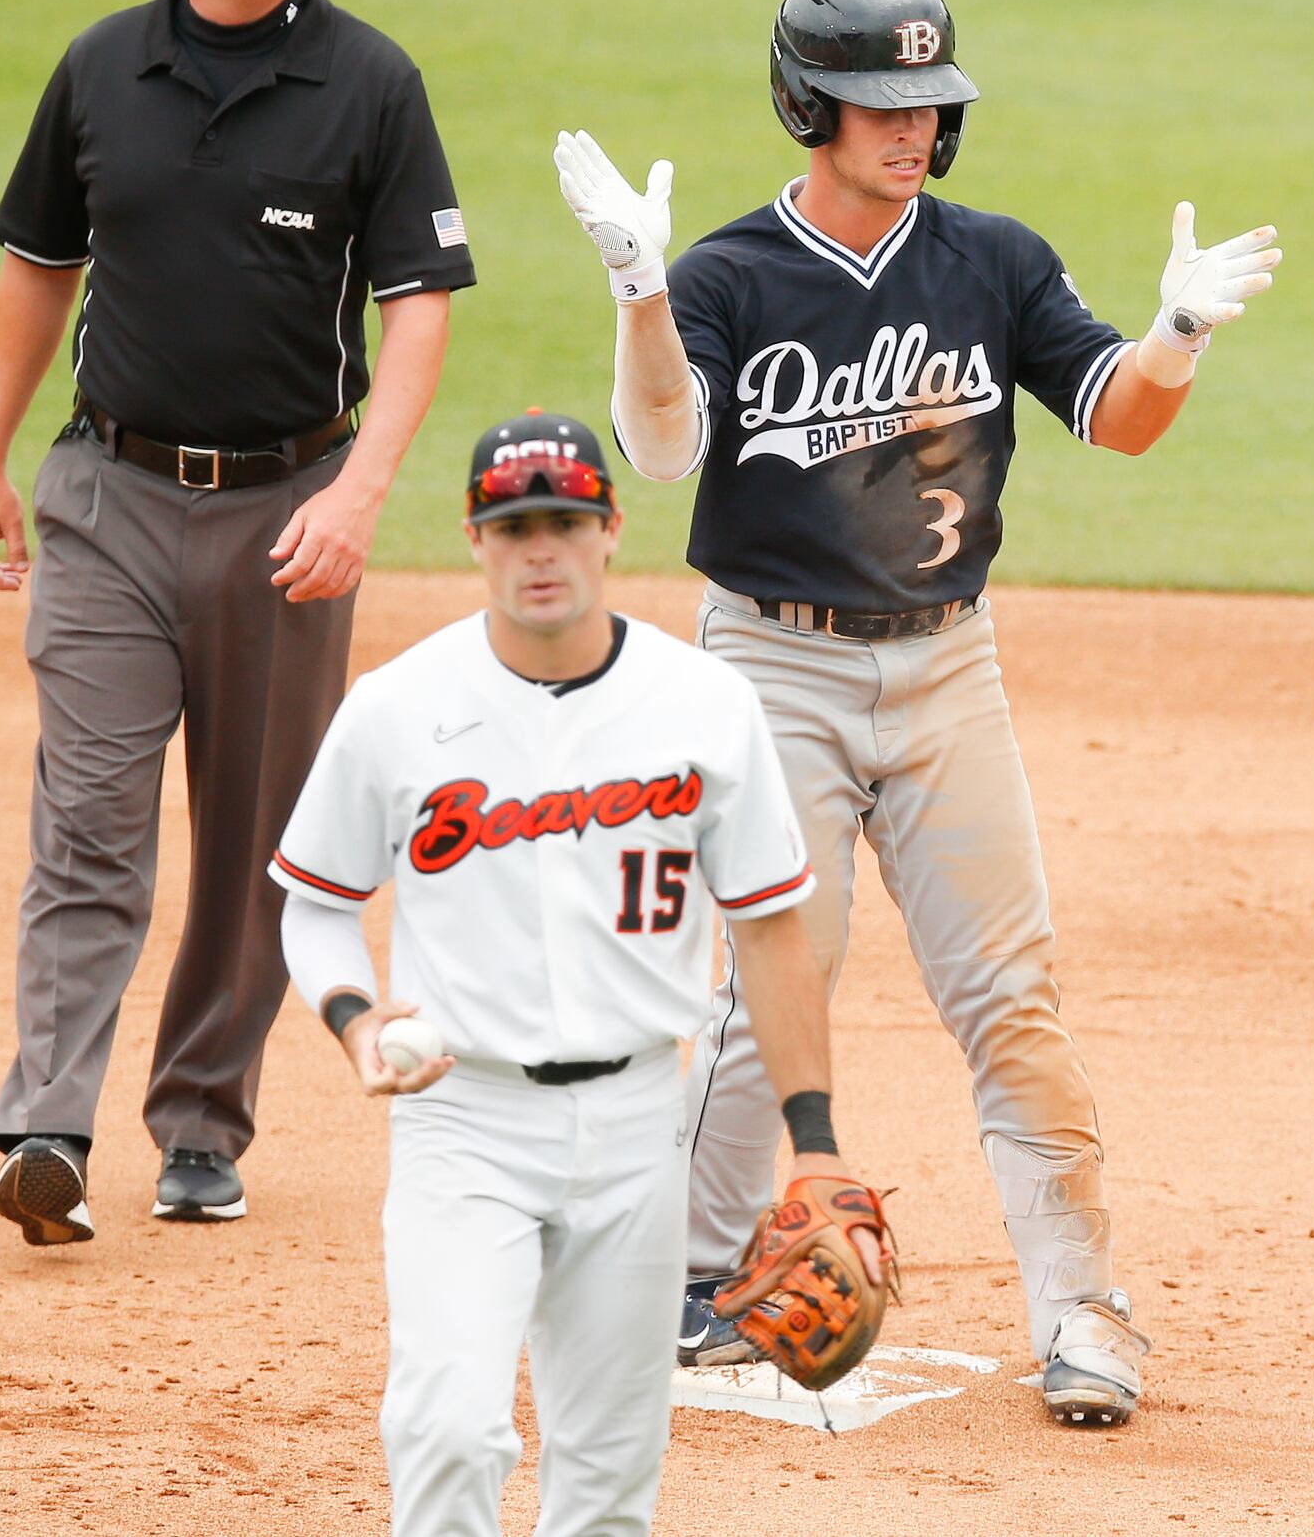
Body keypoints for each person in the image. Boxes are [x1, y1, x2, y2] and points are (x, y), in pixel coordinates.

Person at [553, 0, 1283, 1425]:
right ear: (805, 106)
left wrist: (1177, 337)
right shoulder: (727, 276)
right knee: (780, 980)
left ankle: (1083, 1310)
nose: (912, 129)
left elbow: (1117, 420)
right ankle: (690, 1282)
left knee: (1013, 995)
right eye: (880, 106)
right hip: (772, 666)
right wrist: (639, 288)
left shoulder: (992, 260)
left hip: (950, 664)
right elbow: (657, 450)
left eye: (928, 104)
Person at [0, 0, 475, 1244]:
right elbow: (37, 266)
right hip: (108, 498)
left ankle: (200, 1123)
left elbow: (418, 305)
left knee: (260, 833)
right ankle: (47, 1120)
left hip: (288, 508)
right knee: (90, 817)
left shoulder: (369, 81)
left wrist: (361, 492)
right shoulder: (100, 70)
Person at [271, 409, 882, 1536]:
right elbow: (315, 907)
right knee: (447, 1430)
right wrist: (354, 1019)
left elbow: (769, 931)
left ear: (608, 531)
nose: (537, 550)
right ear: (472, 538)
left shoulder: (704, 705)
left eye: (561, 523)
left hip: (639, 1126)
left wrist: (817, 1140)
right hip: (463, 1120)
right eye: (511, 528)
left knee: (606, 1483)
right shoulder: (399, 708)